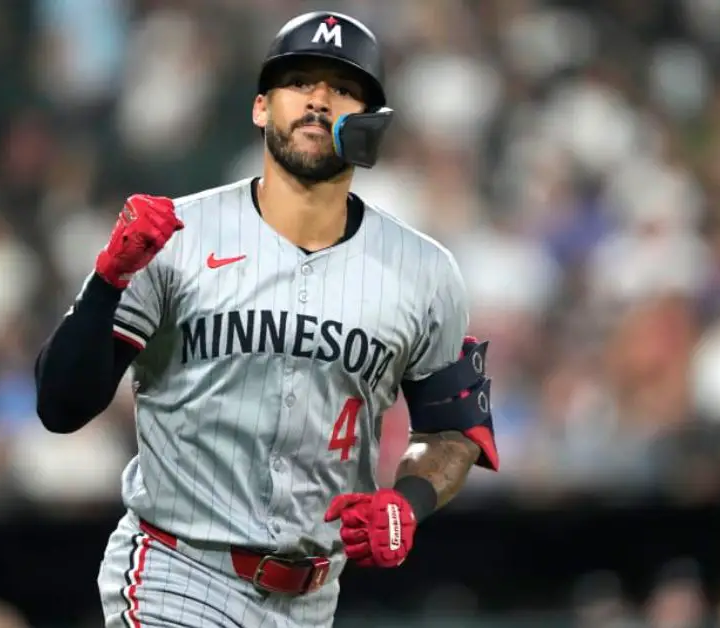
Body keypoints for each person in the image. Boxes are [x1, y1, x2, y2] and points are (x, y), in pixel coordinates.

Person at [34, 11, 499, 628]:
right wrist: (106, 283)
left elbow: (453, 431)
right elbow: (60, 407)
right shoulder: (175, 235)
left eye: (341, 87)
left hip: (313, 599)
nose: (317, 99)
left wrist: (407, 503)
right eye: (299, 81)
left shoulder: (424, 271)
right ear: (261, 108)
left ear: (370, 123)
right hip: (178, 571)